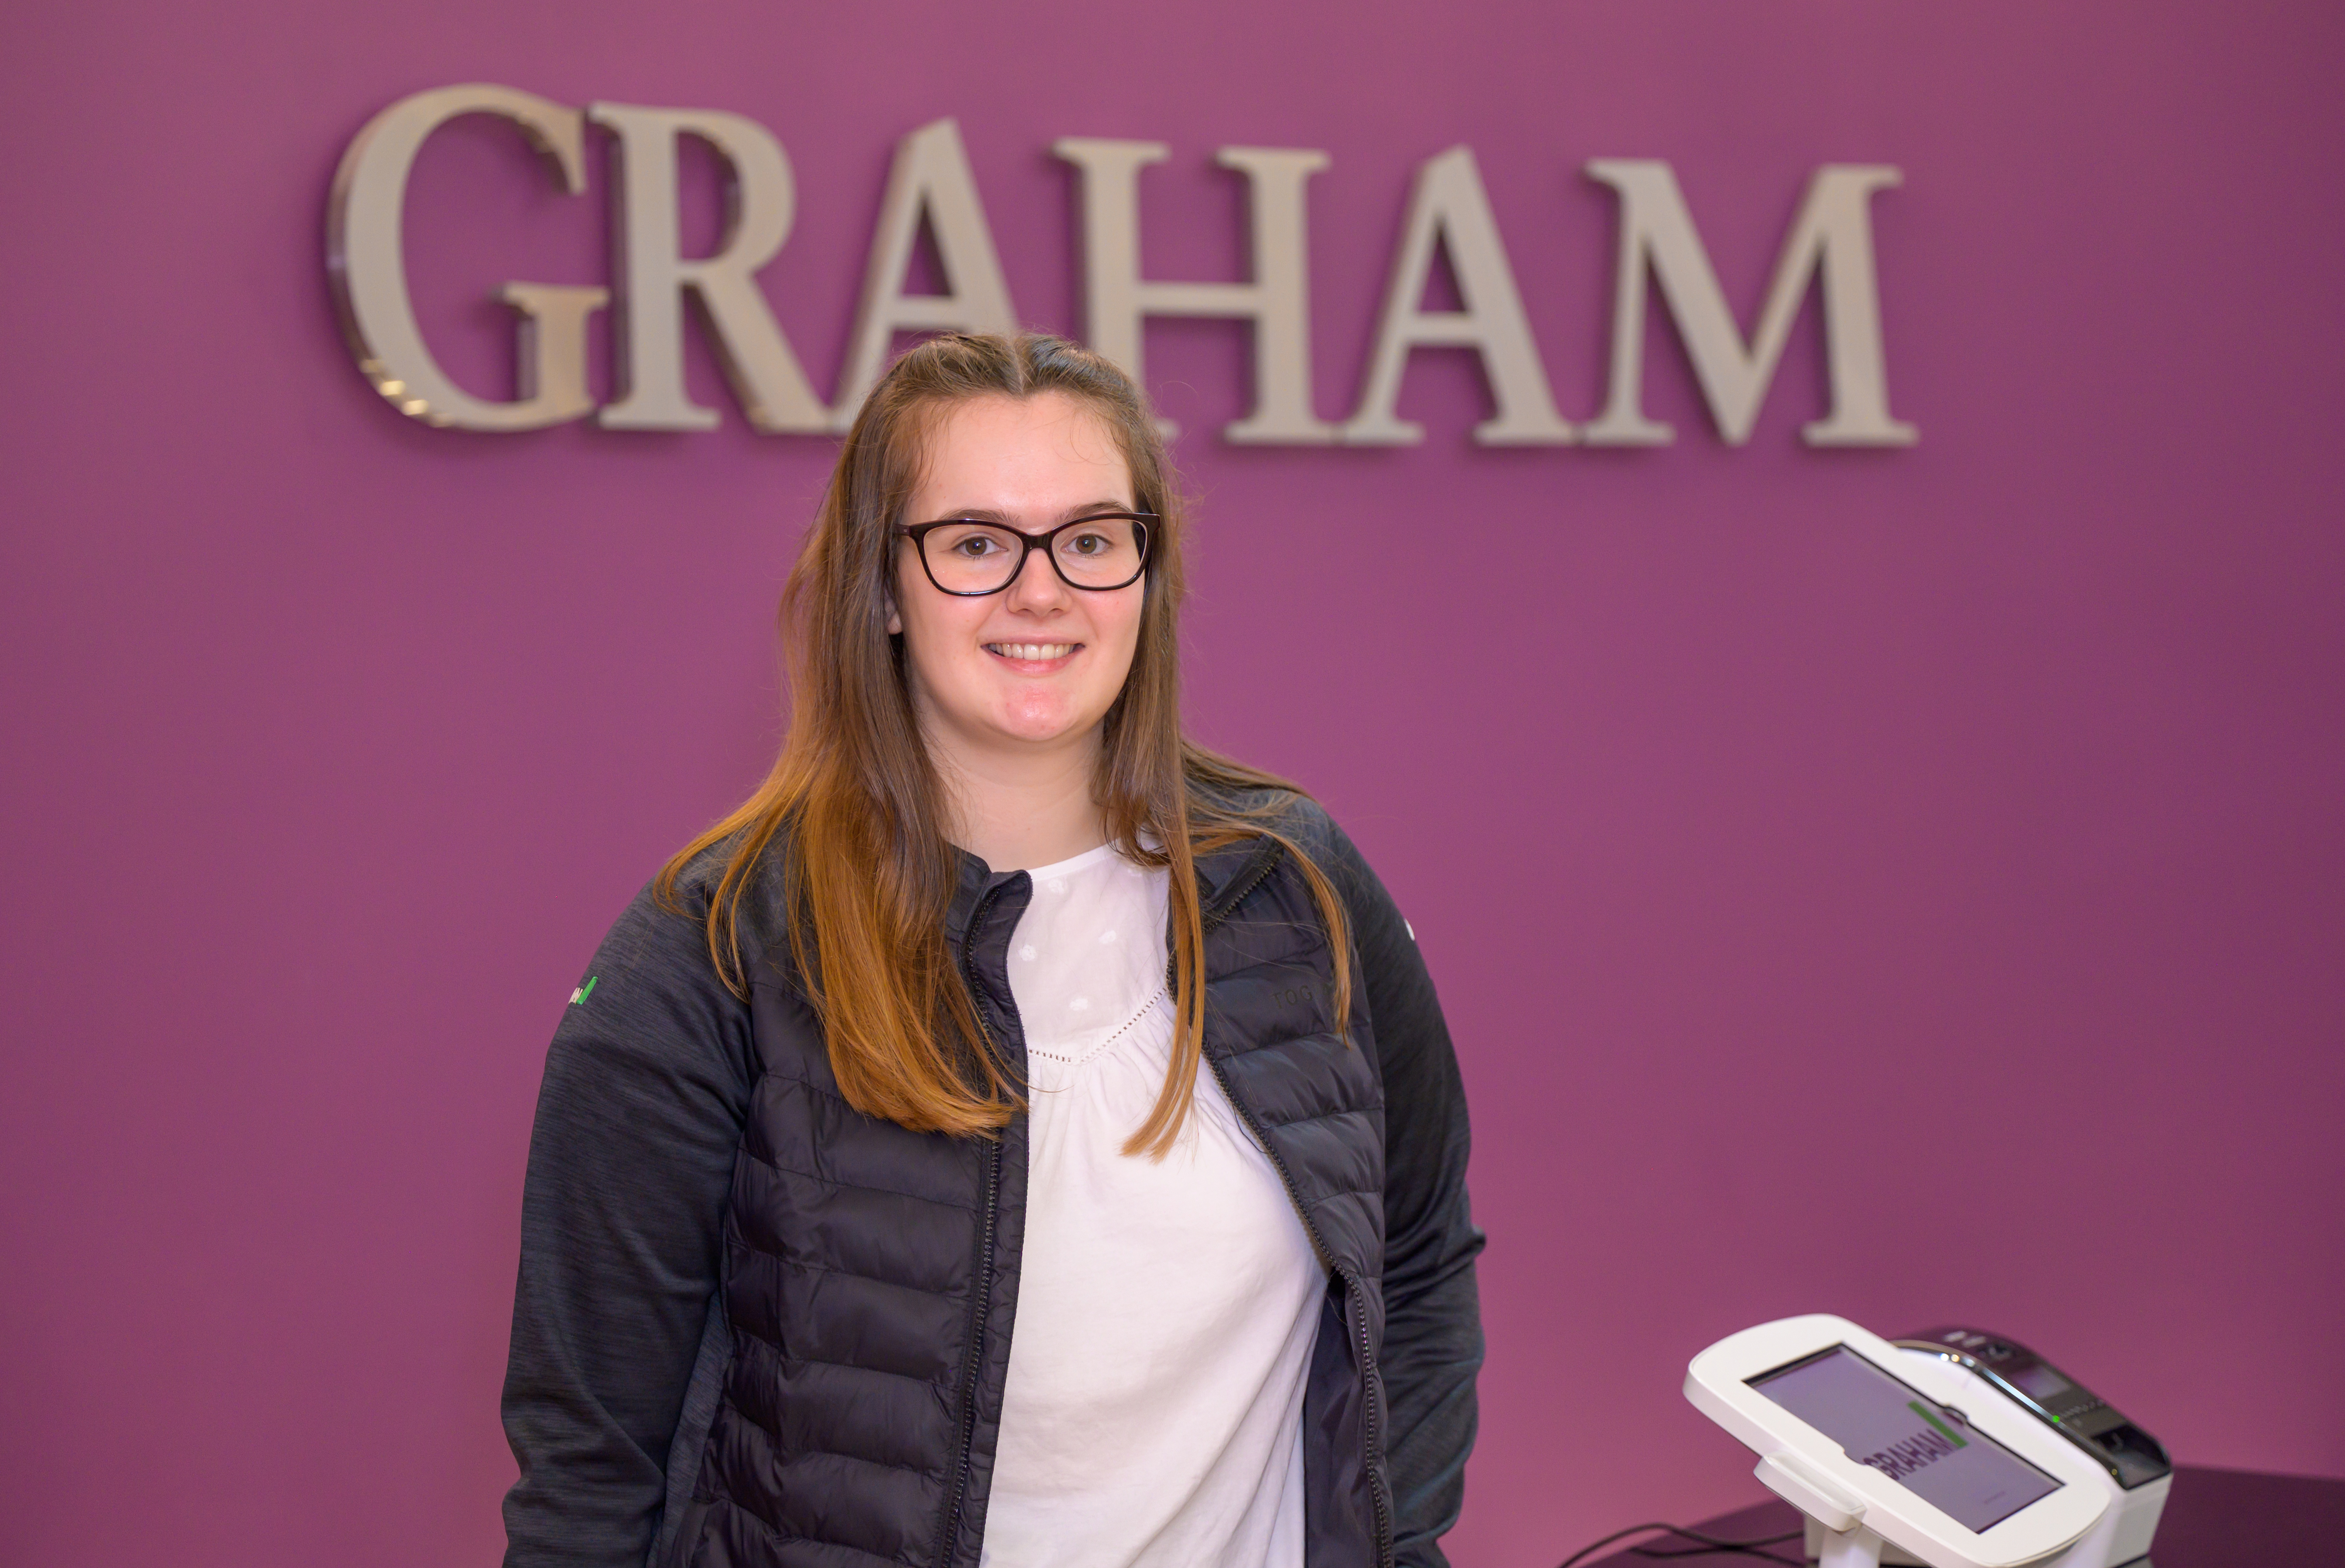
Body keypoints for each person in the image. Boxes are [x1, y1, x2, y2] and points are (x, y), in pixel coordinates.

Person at [499, 332, 1484, 1568]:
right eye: (974, 543)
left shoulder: (1296, 884)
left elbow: (1418, 1254)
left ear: (1145, 573)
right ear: (882, 586)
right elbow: (593, 1466)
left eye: (1089, 539)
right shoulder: (706, 954)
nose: (1042, 591)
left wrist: (1395, 1539)